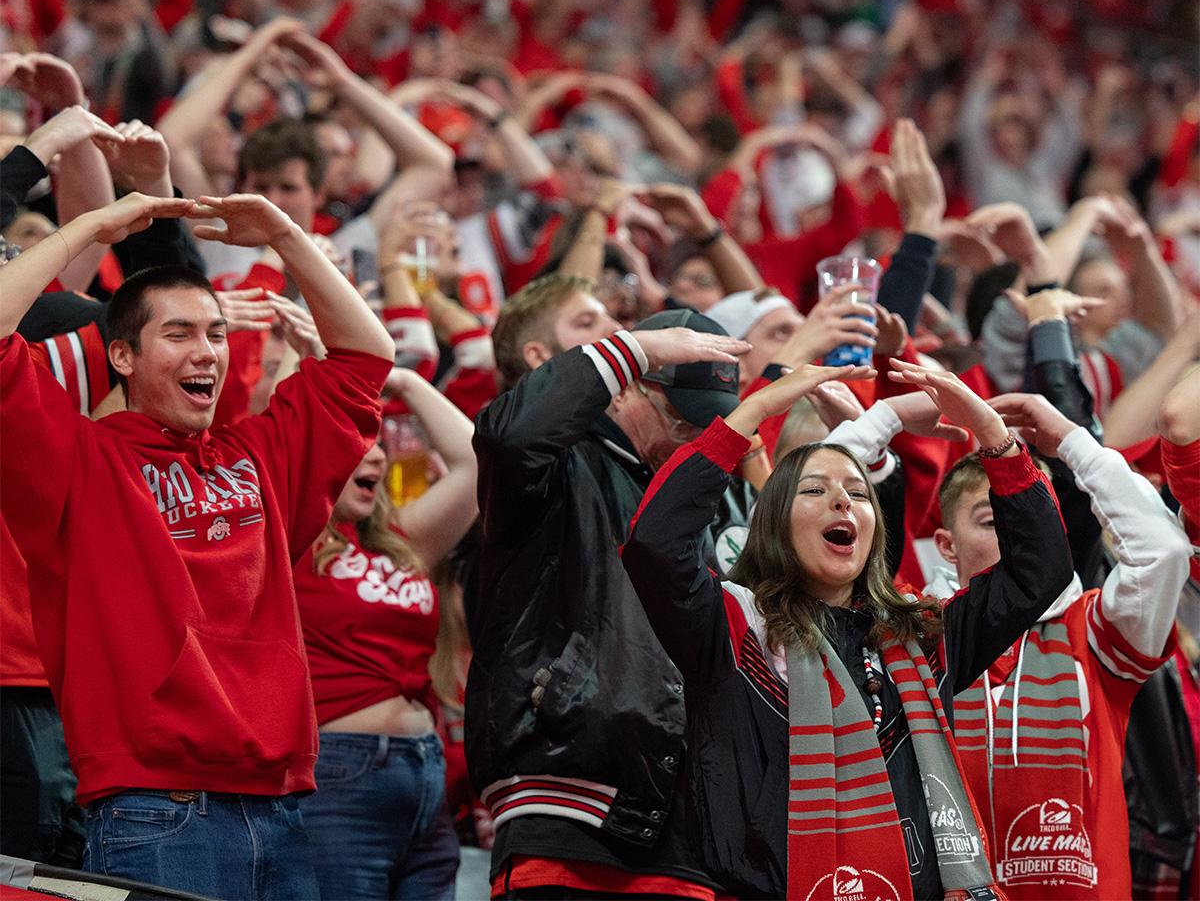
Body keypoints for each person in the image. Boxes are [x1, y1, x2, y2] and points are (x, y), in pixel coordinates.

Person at [0, 188, 394, 900]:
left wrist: (282, 233)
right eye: (178, 334)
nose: (206, 351)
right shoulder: (77, 462)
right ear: (120, 355)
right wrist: (93, 226)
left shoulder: (260, 455)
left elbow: (368, 356)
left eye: (215, 333)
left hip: (280, 807)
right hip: (154, 809)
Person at [621, 359, 1073, 899]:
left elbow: (1039, 569)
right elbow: (654, 545)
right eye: (814, 491)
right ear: (772, 524)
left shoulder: (925, 634)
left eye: (858, 494)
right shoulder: (734, 628)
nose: (843, 501)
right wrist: (756, 411)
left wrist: (994, 438)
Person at [467, 308, 752, 899]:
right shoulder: (561, 464)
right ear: (627, 390)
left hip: (688, 825)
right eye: (685, 421)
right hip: (567, 805)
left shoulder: (699, 493)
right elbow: (509, 435)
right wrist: (631, 347)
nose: (698, 440)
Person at [938, 391, 1191, 900]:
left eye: (1034, 524)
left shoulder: (1094, 630)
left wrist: (1073, 442)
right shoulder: (922, 636)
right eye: (992, 523)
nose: (1018, 539)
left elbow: (1163, 552)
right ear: (947, 544)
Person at [294, 368, 479, 901]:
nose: (376, 455)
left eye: (379, 443)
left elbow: (475, 463)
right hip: (337, 778)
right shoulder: (291, 539)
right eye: (357, 441)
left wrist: (399, 380)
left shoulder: (402, 544)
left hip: (424, 776)